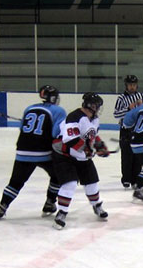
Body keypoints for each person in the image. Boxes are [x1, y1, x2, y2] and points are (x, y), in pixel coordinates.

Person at [0, 85, 67, 221]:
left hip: (22, 151)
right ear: (54, 97)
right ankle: (50, 202)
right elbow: (56, 133)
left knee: (15, 183)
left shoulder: (29, 108)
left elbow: (23, 129)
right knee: (58, 175)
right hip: (43, 152)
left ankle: (2, 207)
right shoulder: (59, 111)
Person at [52, 92, 109, 230]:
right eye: (97, 106)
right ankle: (62, 213)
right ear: (91, 106)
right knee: (70, 184)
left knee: (92, 182)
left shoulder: (94, 120)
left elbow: (92, 136)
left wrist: (99, 146)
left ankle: (97, 206)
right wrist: (88, 150)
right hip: (65, 156)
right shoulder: (75, 117)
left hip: (81, 156)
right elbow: (70, 140)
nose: (99, 109)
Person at [113, 75, 143, 189]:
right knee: (127, 155)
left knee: (138, 155)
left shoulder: (141, 96)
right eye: (130, 85)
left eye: (134, 85)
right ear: (126, 85)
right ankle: (126, 179)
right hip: (126, 130)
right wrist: (128, 109)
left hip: (139, 129)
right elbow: (116, 114)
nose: (132, 87)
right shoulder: (121, 98)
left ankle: (136, 179)